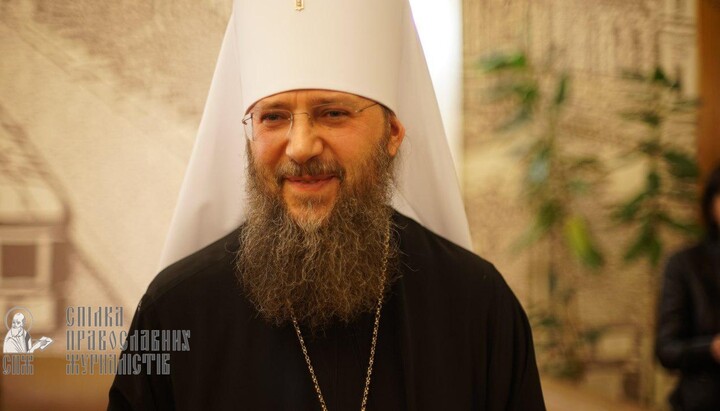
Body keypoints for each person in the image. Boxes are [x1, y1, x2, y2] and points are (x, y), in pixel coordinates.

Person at [108, 1, 546, 409]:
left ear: (392, 133)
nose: (300, 147)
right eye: (273, 117)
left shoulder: (478, 307)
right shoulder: (173, 311)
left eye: (333, 113)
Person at [656, 163, 720, 411]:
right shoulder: (685, 264)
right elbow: (666, 350)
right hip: (704, 400)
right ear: (711, 203)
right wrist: (711, 348)